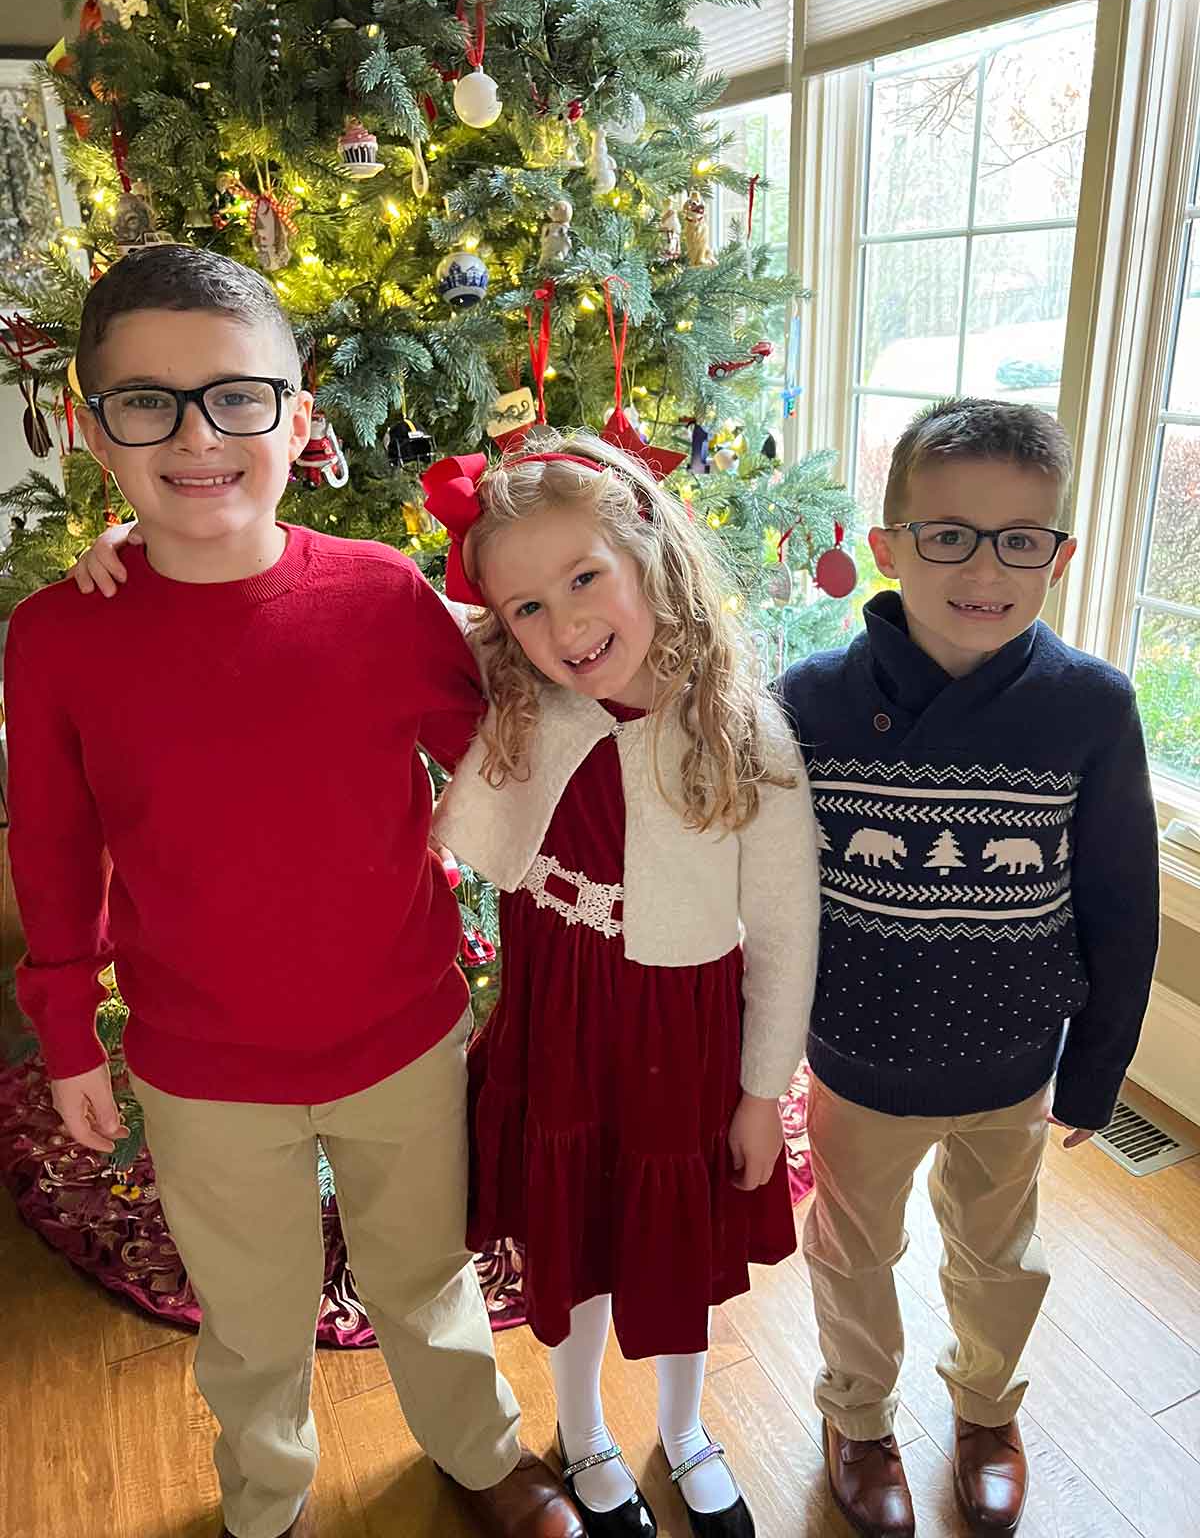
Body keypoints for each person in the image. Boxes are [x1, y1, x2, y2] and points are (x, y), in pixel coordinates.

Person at [7, 244, 584, 1538]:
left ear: (300, 418)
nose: (197, 434)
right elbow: (51, 851)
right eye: (147, 403)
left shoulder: (378, 598)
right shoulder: (57, 643)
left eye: (236, 397)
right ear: (94, 431)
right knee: (253, 1312)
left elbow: (515, 736)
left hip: (402, 1036)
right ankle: (264, 1499)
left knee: (424, 1275)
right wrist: (62, 1035)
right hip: (203, 1070)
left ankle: (478, 1454)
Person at [420, 431, 822, 1538]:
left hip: (680, 1035)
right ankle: (584, 1428)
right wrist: (167, 539)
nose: (564, 626)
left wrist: (757, 1092)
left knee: (670, 1243)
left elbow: (788, 930)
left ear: (648, 544)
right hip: (561, 1017)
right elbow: (373, 603)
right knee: (575, 1235)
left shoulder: (744, 732)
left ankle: (689, 1430)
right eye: (527, 609)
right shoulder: (522, 694)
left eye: (585, 579)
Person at [775, 399, 1160, 1538]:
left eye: (1018, 539)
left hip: (1010, 1062)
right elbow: (774, 898)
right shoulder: (809, 703)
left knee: (999, 1253)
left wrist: (1094, 1076)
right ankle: (859, 1414)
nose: (983, 567)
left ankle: (988, 1409)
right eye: (948, 534)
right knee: (855, 1250)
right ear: (890, 546)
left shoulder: (1090, 706)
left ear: (1059, 554)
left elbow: (1120, 904)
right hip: (856, 1062)